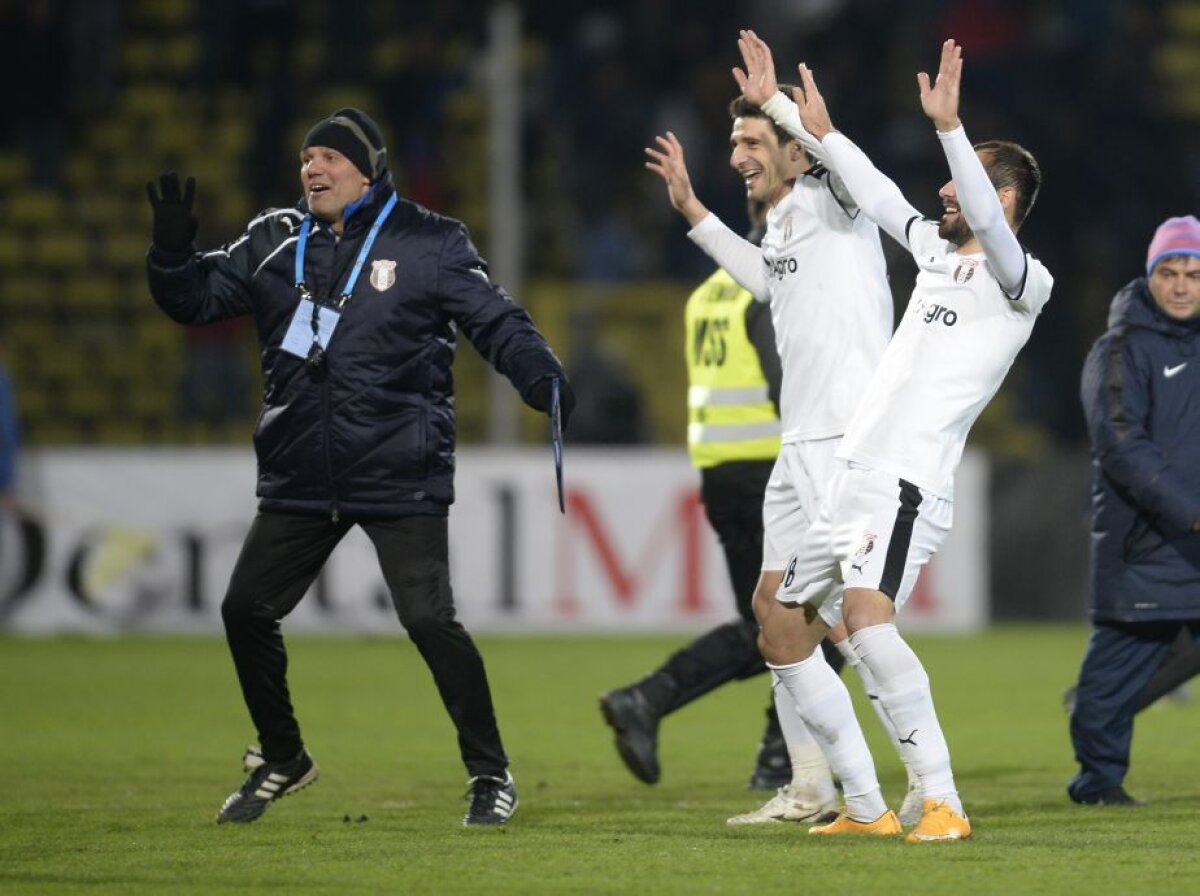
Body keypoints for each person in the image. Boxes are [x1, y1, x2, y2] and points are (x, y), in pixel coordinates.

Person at [145, 108, 575, 828]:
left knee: (430, 622)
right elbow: (194, 301)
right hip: (302, 472)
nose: (313, 169)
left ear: (368, 169)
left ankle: (490, 773)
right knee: (244, 609)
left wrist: (539, 374)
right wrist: (170, 254)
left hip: (395, 467)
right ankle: (283, 756)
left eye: (330, 158)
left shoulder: (430, 241)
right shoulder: (274, 240)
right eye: (307, 158)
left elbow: (494, 318)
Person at [739, 33, 1052, 842]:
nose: (947, 193)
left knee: (866, 617)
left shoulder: (1019, 282)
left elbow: (981, 214)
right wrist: (792, 116)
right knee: (779, 619)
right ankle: (867, 808)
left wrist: (950, 126)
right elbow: (874, 192)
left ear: (1005, 199)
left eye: (968, 185)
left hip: (905, 479)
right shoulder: (934, 256)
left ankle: (942, 800)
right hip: (849, 471)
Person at [633, 54, 922, 827]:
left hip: (845, 442)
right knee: (774, 611)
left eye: (751, 141)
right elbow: (766, 281)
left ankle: (925, 779)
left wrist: (783, 108)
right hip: (797, 447)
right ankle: (813, 786)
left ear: (796, 149)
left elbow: (840, 159)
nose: (737, 157)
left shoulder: (837, 198)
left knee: (856, 624)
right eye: (733, 143)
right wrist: (694, 210)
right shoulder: (790, 219)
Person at [599, 200, 802, 796]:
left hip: (721, 474)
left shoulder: (709, 292)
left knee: (764, 621)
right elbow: (786, 383)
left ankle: (648, 700)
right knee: (818, 617)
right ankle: (778, 757)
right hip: (772, 472)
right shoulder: (765, 286)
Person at [1068, 214, 1200, 807]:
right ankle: (1097, 782)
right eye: (1168, 272)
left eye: (1193, 274)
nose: (1180, 285)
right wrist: (1190, 511)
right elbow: (1121, 444)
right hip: (1144, 543)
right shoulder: (1119, 349)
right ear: (1150, 276)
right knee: (1114, 670)